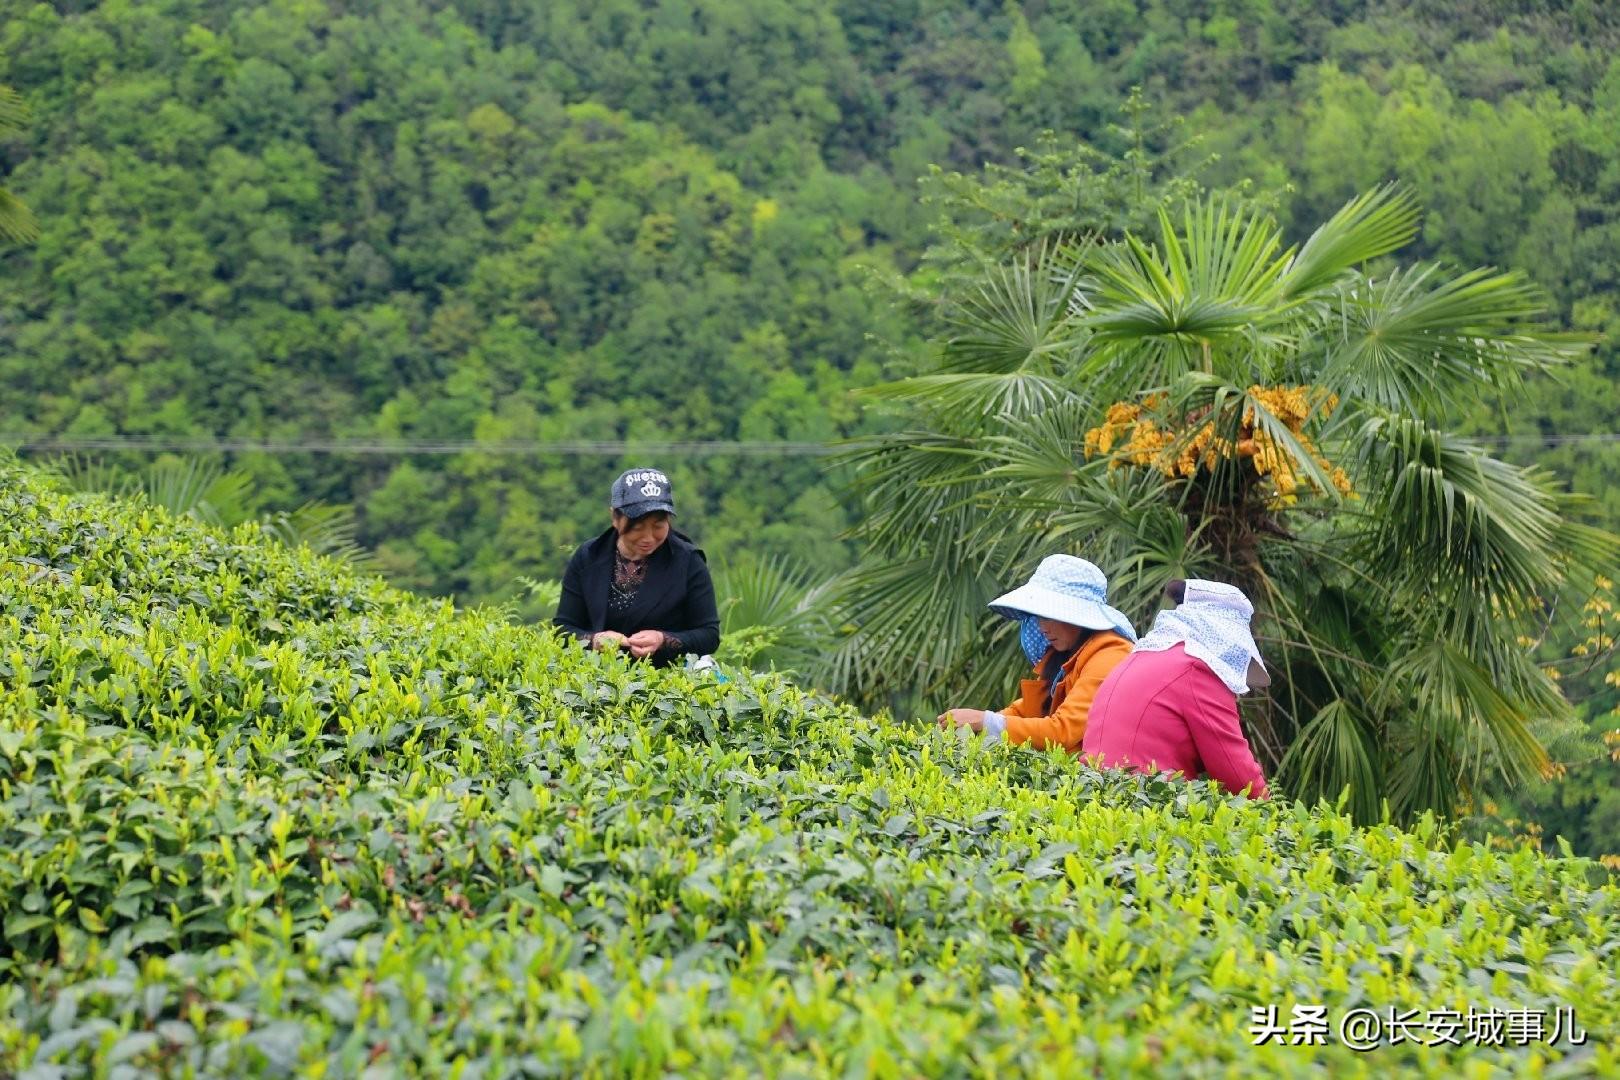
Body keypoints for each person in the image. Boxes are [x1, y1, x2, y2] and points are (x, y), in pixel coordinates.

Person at [1081, 579, 1271, 798]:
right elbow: (1239, 778)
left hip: (1095, 794)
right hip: (1142, 803)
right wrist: (1274, 815)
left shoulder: (1143, 656)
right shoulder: (1198, 669)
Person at [937, 555, 1136, 751]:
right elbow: (1030, 710)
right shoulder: (1068, 652)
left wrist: (985, 721)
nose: (1042, 628)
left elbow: (1062, 732)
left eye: (1048, 616)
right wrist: (975, 724)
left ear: (1075, 614)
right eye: (1038, 616)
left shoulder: (1110, 655)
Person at [553, 467, 720, 667]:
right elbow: (562, 629)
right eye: (637, 527)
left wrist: (662, 640)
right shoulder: (588, 557)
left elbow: (709, 635)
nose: (648, 538)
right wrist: (594, 641)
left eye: (659, 526)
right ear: (615, 518)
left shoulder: (688, 561)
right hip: (594, 679)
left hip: (667, 682)